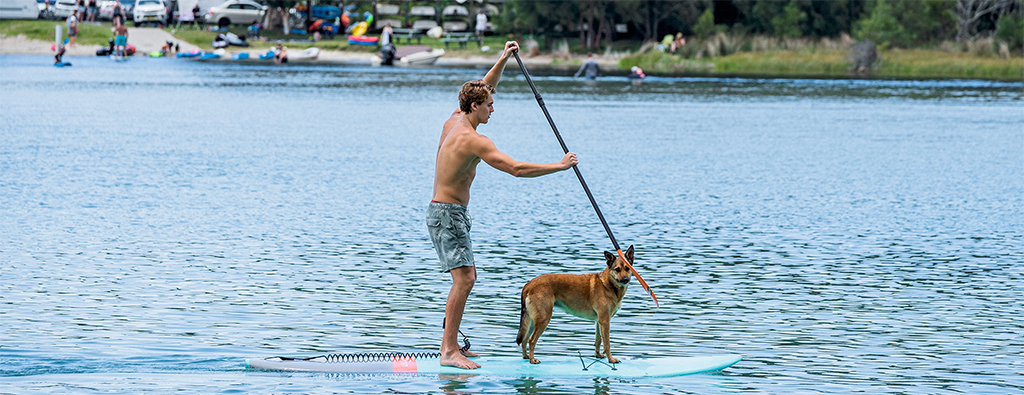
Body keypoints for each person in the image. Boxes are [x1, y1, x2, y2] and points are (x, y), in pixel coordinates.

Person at [428, 40, 578, 370]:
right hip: (447, 214)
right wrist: (559, 165)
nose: (493, 108)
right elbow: (516, 169)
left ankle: (452, 347)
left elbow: (486, 85)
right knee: (465, 279)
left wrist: (504, 58)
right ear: (475, 107)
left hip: (448, 213)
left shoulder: (455, 118)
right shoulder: (473, 139)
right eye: (489, 105)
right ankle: (449, 351)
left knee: (466, 277)